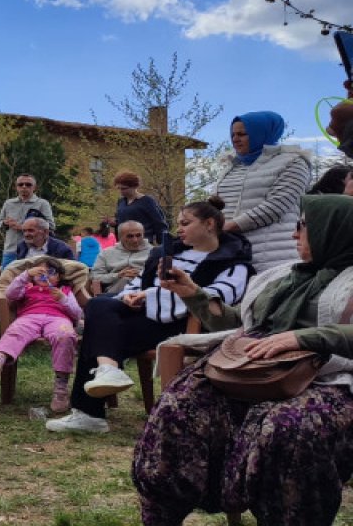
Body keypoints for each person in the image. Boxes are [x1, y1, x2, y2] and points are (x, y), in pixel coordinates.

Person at [133, 195, 353, 525]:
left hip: (326, 378)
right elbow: (242, 321)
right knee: (177, 408)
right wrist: (193, 293)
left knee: (288, 428)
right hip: (249, 370)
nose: (294, 234)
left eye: (304, 226)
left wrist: (303, 337)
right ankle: (163, 516)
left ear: (332, 230)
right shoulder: (281, 276)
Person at [46, 198, 253, 434]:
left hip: (182, 325)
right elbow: (138, 282)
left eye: (185, 223)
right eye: (178, 223)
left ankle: (90, 411)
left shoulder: (233, 263)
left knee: (98, 323)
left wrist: (149, 296)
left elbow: (218, 298)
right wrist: (129, 296)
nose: (179, 229)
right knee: (99, 307)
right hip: (143, 318)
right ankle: (107, 371)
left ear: (209, 224)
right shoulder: (167, 253)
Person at [0, 257, 82, 413]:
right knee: (15, 331)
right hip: (30, 317)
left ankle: (61, 388)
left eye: (51, 272)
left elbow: (77, 314)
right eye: (39, 272)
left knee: (66, 336)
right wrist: (26, 275)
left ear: (59, 277)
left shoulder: (64, 290)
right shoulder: (27, 287)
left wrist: (63, 299)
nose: (44, 275)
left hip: (57, 319)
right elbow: (10, 294)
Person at [214, 111, 311, 272]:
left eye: (242, 134)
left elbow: (276, 206)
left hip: (273, 255)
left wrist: (225, 228)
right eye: (233, 134)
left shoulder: (294, 162)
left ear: (260, 133)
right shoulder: (232, 166)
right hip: (232, 253)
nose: (235, 139)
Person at [0, 174, 55, 267]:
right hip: (11, 250)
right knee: (7, 276)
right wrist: (5, 223)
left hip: (34, 252)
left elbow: (51, 226)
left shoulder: (42, 204)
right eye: (20, 184)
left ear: (34, 187)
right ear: (16, 187)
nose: (24, 187)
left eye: (28, 184)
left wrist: (22, 227)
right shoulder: (8, 203)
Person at [90, 220, 152, 295]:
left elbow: (161, 277)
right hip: (115, 292)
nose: (135, 240)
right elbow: (95, 276)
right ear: (120, 237)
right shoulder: (106, 253)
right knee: (125, 280)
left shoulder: (153, 252)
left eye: (138, 235)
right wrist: (117, 275)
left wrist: (142, 275)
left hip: (145, 291)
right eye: (130, 236)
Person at [112, 171, 167, 243]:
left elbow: (159, 223)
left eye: (124, 188)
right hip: (124, 243)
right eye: (119, 188)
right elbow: (122, 221)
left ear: (134, 186)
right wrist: (114, 223)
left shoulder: (147, 201)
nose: (121, 191)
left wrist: (162, 243)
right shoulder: (121, 202)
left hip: (142, 243)